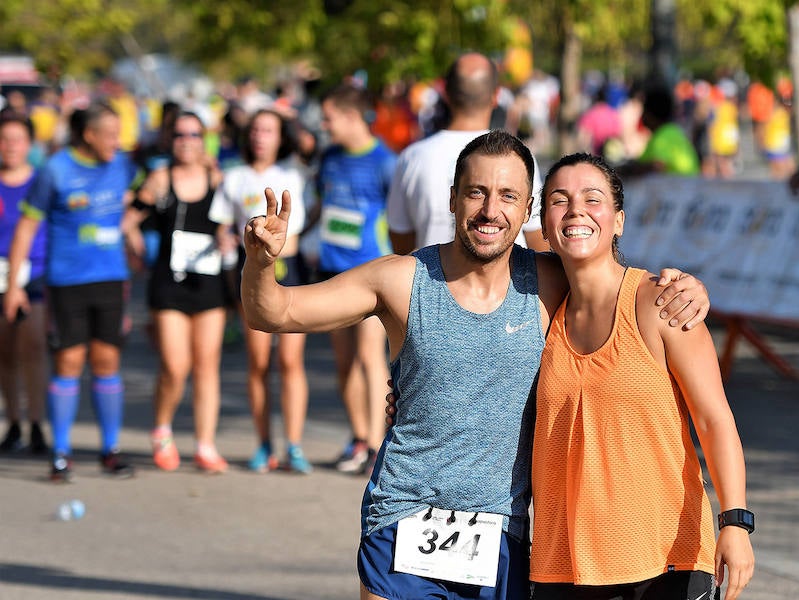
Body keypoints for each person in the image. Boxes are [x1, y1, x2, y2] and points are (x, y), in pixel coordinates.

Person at [240, 130, 711, 600]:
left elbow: (617, 282)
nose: (490, 210)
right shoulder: (400, 280)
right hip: (404, 517)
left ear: (527, 210)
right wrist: (261, 262)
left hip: (505, 533)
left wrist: (683, 287)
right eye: (476, 193)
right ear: (452, 200)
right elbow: (274, 312)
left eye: (508, 195)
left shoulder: (549, 282)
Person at [530, 153, 754, 600]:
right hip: (563, 566)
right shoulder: (537, 307)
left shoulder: (662, 302)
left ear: (618, 222)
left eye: (593, 199)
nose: (576, 210)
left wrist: (736, 522)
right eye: (560, 200)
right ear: (544, 224)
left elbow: (714, 420)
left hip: (663, 561)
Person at [3, 101, 136, 481]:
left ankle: (111, 450)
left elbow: (142, 195)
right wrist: (13, 286)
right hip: (66, 283)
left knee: (107, 362)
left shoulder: (122, 165)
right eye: (110, 134)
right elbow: (27, 227)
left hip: (111, 279)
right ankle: (60, 453)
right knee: (69, 363)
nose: (117, 141)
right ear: (88, 135)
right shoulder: (55, 170)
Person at [122, 111, 230, 473]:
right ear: (171, 140)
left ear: (204, 139)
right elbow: (129, 218)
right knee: (174, 364)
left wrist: (229, 238)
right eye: (180, 134)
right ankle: (163, 429)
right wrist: (134, 245)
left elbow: (233, 220)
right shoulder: (160, 177)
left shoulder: (218, 177)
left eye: (194, 134)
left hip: (209, 283)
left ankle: (205, 444)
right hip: (169, 283)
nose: (187, 141)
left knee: (206, 365)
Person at [208, 108, 312, 473]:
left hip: (290, 270)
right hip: (250, 273)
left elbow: (303, 225)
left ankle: (295, 446)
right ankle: (264, 444)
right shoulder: (233, 177)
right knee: (259, 363)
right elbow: (221, 226)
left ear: (280, 136)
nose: (259, 136)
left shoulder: (292, 175)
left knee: (290, 361)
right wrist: (225, 242)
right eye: (254, 129)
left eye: (268, 130)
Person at [387, 52, 548, 255]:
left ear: (445, 93)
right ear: (496, 96)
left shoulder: (411, 158)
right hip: (508, 281)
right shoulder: (517, 157)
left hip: (433, 280)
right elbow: (537, 237)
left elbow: (401, 243)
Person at [315, 83, 396, 475]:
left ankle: (380, 445)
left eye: (328, 118)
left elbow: (397, 218)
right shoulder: (328, 157)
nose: (323, 126)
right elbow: (321, 205)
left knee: (369, 356)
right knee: (344, 361)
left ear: (350, 116)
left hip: (369, 275)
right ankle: (359, 439)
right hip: (332, 270)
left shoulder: (385, 161)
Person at [0, 113, 49, 454]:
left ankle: (36, 424)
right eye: (4, 139)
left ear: (29, 145)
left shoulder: (41, 183)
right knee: (5, 352)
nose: (10, 147)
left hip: (36, 274)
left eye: (17, 139)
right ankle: (13, 423)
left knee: (33, 347)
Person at [618, 87, 700, 178]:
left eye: (644, 111)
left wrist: (628, 171)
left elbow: (657, 166)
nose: (642, 116)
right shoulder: (670, 132)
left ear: (650, 114)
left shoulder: (665, 135)